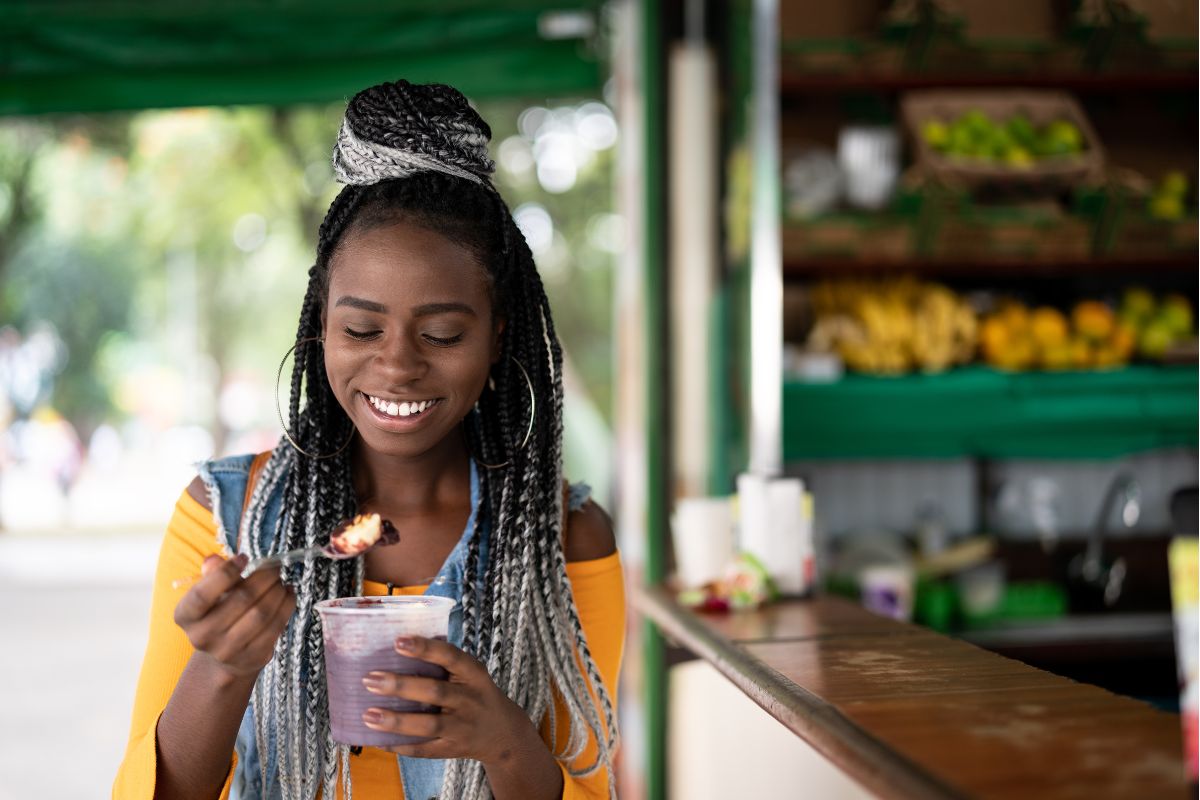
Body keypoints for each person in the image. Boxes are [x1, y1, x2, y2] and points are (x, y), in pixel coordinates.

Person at [114, 80, 623, 800]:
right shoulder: (225, 519)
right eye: (360, 329)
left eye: (443, 334)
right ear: (320, 322)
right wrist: (222, 669)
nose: (397, 364)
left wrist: (506, 744)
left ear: (496, 334)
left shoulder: (561, 538)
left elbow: (592, 784)